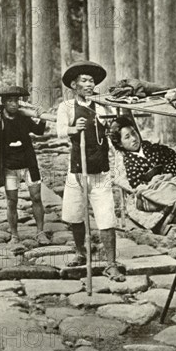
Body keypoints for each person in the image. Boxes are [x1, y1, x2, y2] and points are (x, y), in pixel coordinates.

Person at [56, 61, 125, 282]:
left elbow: (115, 132)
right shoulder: (65, 107)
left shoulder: (104, 105)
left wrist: (119, 161)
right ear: (74, 84)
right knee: (75, 214)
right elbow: (59, 131)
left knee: (106, 218)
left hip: (100, 170)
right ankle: (80, 252)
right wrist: (74, 128)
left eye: (92, 81)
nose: (89, 84)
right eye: (84, 80)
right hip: (76, 170)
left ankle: (111, 264)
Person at [0, 86, 50, 246]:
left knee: (36, 197)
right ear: (3, 103)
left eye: (16, 101)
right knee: (11, 201)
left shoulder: (23, 118)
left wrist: (42, 117)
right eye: (10, 101)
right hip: (9, 166)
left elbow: (39, 131)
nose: (14, 104)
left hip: (28, 164)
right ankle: (14, 235)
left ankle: (40, 232)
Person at [109, 116, 176, 189]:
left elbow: (171, 156)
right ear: (120, 144)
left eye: (134, 133)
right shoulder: (129, 163)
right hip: (155, 191)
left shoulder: (152, 148)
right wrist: (155, 181)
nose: (134, 138)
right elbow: (137, 185)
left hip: (172, 182)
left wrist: (169, 174)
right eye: (127, 137)